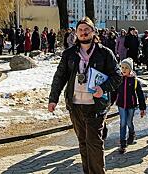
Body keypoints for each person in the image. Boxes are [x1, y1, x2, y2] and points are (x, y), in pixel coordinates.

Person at [48, 17, 122, 174]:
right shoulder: (69, 54)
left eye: (86, 29)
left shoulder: (104, 53)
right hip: (75, 106)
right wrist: (53, 99)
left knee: (94, 142)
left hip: (96, 106)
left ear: (93, 32)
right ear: (76, 33)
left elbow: (117, 76)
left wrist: (103, 88)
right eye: (80, 30)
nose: (83, 32)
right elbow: (59, 77)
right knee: (83, 142)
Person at [116, 58, 146, 154]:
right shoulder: (119, 79)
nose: (123, 69)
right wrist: (108, 104)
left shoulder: (135, 80)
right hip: (121, 104)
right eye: (122, 67)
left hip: (131, 105)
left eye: (126, 68)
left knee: (129, 122)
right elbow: (114, 92)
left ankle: (132, 133)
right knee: (123, 122)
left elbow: (140, 94)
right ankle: (122, 144)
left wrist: (142, 108)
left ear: (130, 69)